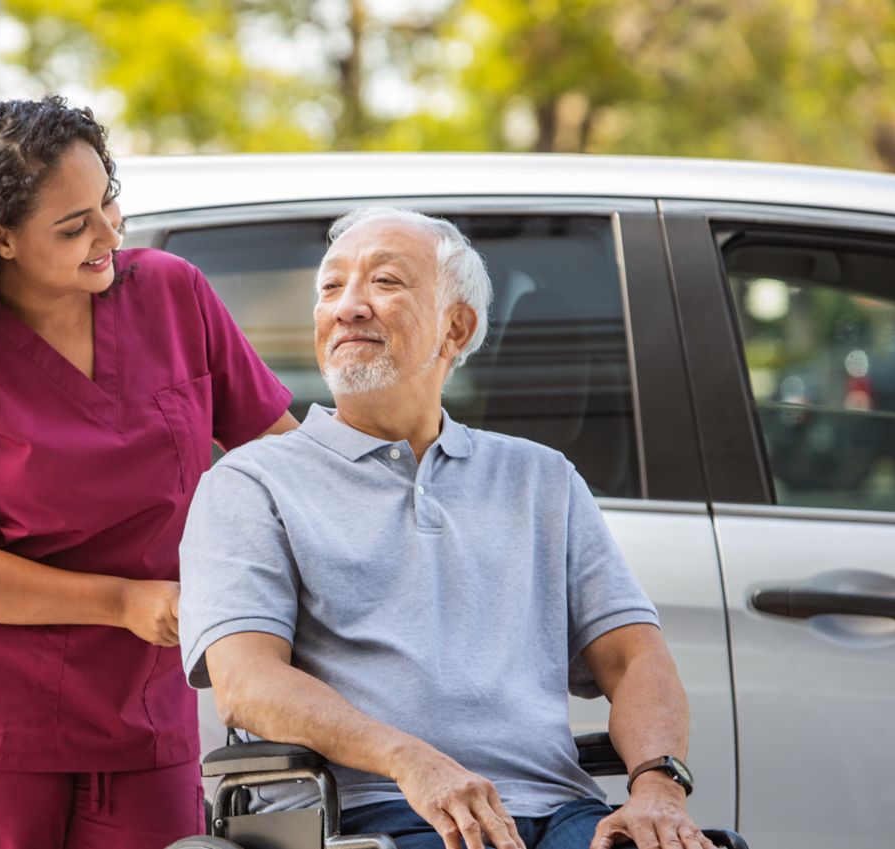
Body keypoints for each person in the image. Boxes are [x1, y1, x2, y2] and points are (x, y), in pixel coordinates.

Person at [178, 207, 716, 849]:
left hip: (557, 812)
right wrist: (409, 759)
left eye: (385, 282)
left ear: (456, 328)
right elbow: (245, 684)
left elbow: (633, 658)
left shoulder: (541, 478)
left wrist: (658, 788)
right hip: (370, 814)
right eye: (330, 288)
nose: (348, 307)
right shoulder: (253, 482)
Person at [0, 96, 297, 849]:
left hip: (143, 704)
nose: (107, 233)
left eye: (107, 203)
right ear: (0, 238)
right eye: (72, 225)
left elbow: (278, 459)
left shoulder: (173, 294)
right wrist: (124, 600)